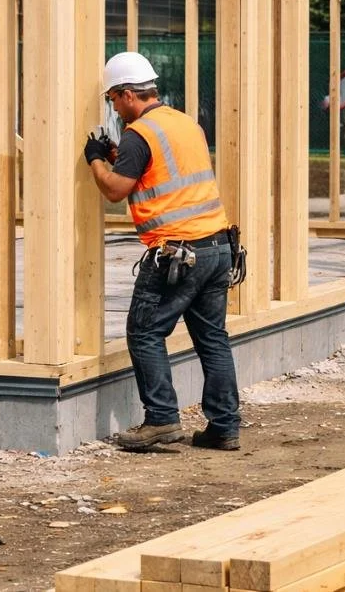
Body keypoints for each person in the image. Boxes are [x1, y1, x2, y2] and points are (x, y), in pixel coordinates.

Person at [83, 51, 242, 451]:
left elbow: (116, 190)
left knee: (144, 331)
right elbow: (164, 171)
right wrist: (121, 156)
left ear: (127, 95)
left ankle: (161, 420)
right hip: (217, 246)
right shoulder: (183, 123)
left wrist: (97, 161)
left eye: (113, 100)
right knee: (212, 339)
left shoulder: (140, 134)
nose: (114, 109)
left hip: (176, 253)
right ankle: (224, 426)